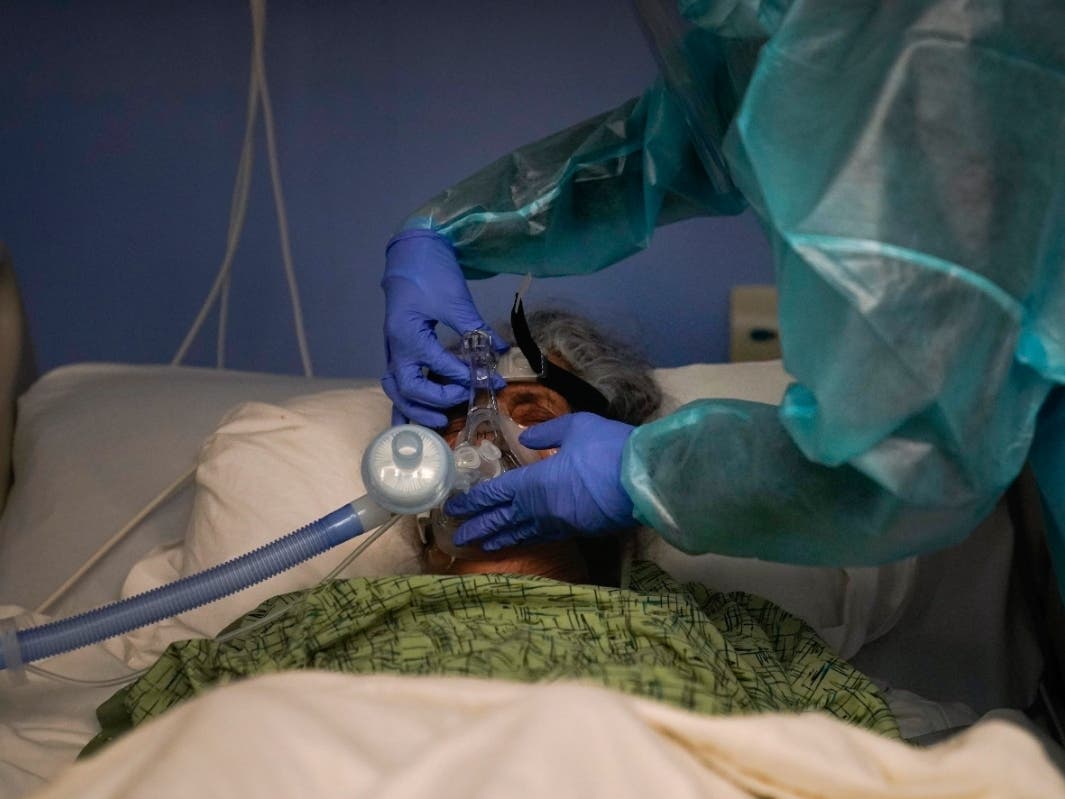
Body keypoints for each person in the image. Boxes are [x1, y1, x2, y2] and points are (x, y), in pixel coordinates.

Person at [380, 0, 1065, 599]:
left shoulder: (929, 37)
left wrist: (647, 473)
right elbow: (682, 138)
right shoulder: (316, 650)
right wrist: (447, 230)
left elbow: (911, 457)